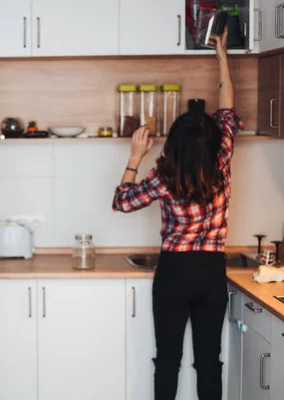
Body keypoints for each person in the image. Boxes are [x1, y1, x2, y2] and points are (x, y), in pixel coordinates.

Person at [112, 30, 241, 400]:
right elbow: (228, 109)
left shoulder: (164, 176)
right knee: (209, 361)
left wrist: (135, 157)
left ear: (173, 143)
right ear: (214, 139)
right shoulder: (223, 163)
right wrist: (222, 57)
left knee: (167, 359)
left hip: (173, 273)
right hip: (212, 271)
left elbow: (122, 201)